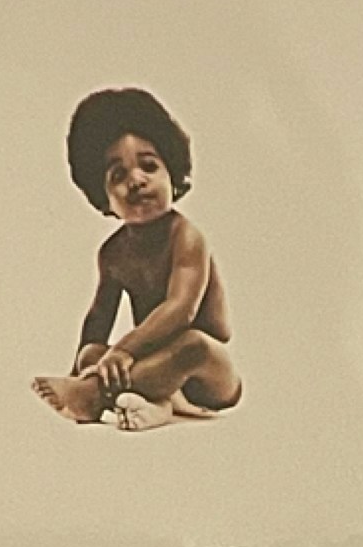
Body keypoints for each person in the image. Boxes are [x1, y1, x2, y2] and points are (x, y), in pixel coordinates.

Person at [30, 87, 238, 429]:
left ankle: (96, 395)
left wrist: (123, 352)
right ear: (104, 199)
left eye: (149, 166)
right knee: (92, 353)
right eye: (118, 175)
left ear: (173, 173)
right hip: (152, 366)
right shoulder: (113, 253)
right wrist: (80, 367)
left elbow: (180, 309)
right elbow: (99, 317)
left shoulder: (186, 237)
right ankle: (152, 403)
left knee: (193, 345)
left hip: (205, 374)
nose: (136, 181)